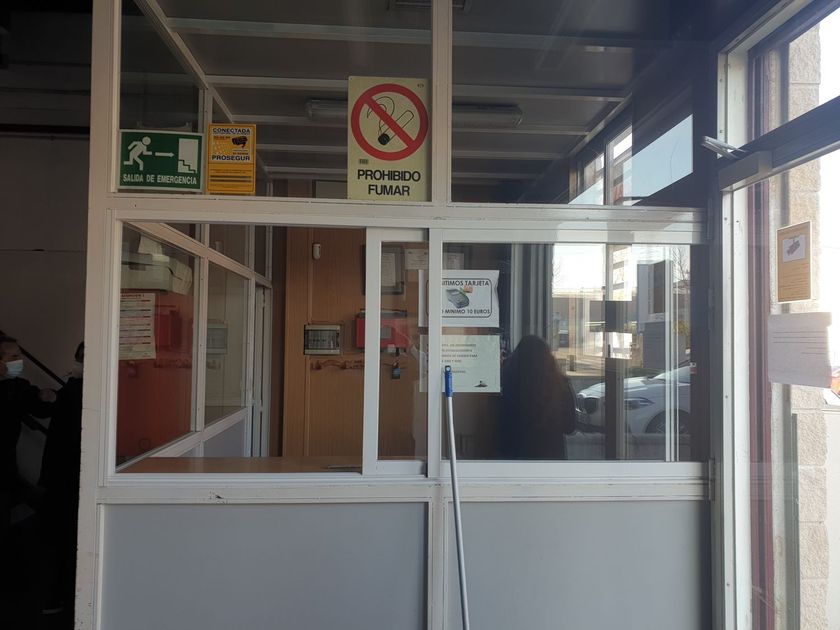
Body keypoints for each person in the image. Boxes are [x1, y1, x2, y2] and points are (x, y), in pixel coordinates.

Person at [1, 335, 55, 619]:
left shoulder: (18, 387)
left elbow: (40, 406)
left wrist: (50, 396)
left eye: (19, 355)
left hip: (6, 469)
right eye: (12, 357)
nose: (18, 361)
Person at [40, 342, 84, 617]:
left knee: (64, 538)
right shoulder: (73, 389)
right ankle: (63, 595)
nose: (79, 363)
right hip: (66, 476)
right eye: (80, 358)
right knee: (65, 538)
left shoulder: (73, 389)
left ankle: (62, 595)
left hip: (65, 475)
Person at [500, 335, 576, 459]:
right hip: (551, 457)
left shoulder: (511, 385)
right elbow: (570, 427)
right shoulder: (560, 385)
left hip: (517, 457)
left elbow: (504, 426)